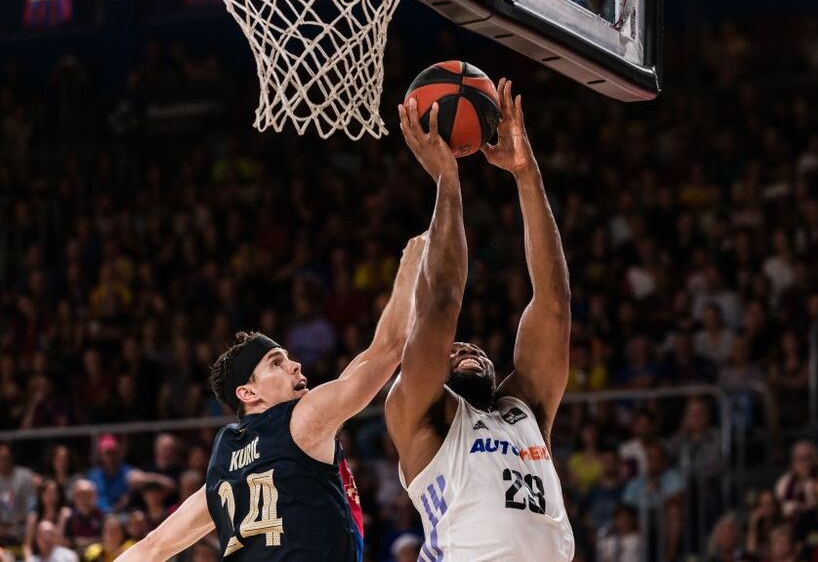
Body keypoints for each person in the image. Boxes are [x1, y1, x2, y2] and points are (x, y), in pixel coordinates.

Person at [116, 233, 424, 561]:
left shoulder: (223, 471)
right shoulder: (302, 420)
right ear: (248, 392)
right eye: (276, 363)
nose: (295, 365)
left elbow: (152, 547)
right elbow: (390, 347)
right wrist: (411, 262)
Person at [386, 82, 574, 560]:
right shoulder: (421, 415)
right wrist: (447, 180)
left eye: (473, 349)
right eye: (454, 351)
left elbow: (553, 301)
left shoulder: (525, 407)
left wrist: (525, 173)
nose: (465, 349)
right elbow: (442, 302)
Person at [0, 441, 37, 546]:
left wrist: (14, 524)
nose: (3, 461)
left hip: (20, 527)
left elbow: (31, 506)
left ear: (11, 457)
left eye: (5, 458)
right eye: (1, 458)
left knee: (32, 518)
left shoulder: (25, 476)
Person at [64, 479, 103, 551]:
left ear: (95, 496)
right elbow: (66, 544)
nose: (85, 499)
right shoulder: (70, 519)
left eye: (88, 494)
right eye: (81, 494)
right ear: (75, 497)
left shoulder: (102, 517)